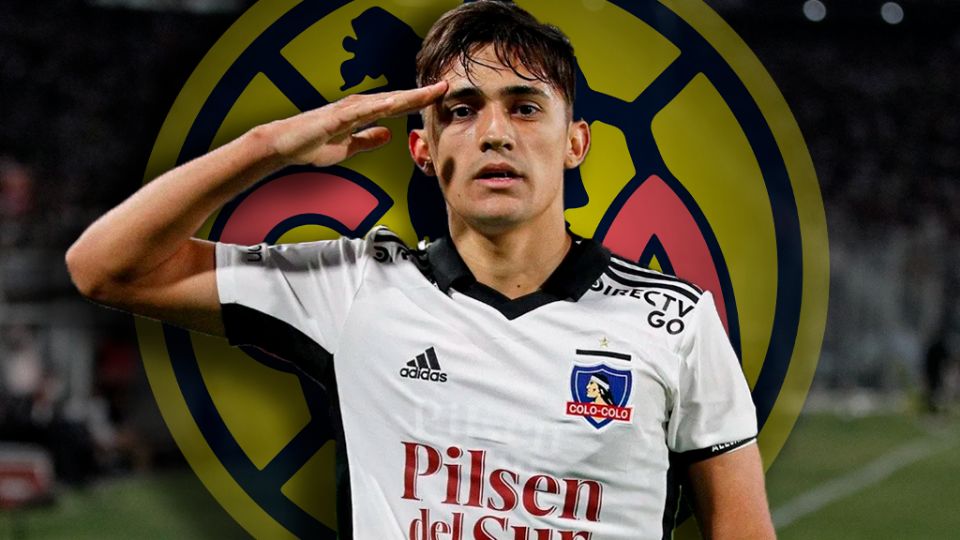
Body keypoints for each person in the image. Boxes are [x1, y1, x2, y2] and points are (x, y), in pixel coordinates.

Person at [66, 1, 775, 538]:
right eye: (461, 110)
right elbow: (105, 267)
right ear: (423, 151)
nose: (494, 133)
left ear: (575, 143)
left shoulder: (675, 320)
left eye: (526, 107)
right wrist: (270, 144)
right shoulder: (352, 290)